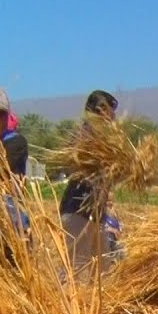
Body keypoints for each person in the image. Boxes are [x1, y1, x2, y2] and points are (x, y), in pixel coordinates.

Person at [59, 89, 121, 276]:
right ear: (101, 110)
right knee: (77, 271)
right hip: (78, 213)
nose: (114, 118)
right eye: (111, 112)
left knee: (101, 270)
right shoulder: (84, 136)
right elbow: (75, 165)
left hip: (96, 216)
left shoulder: (105, 140)